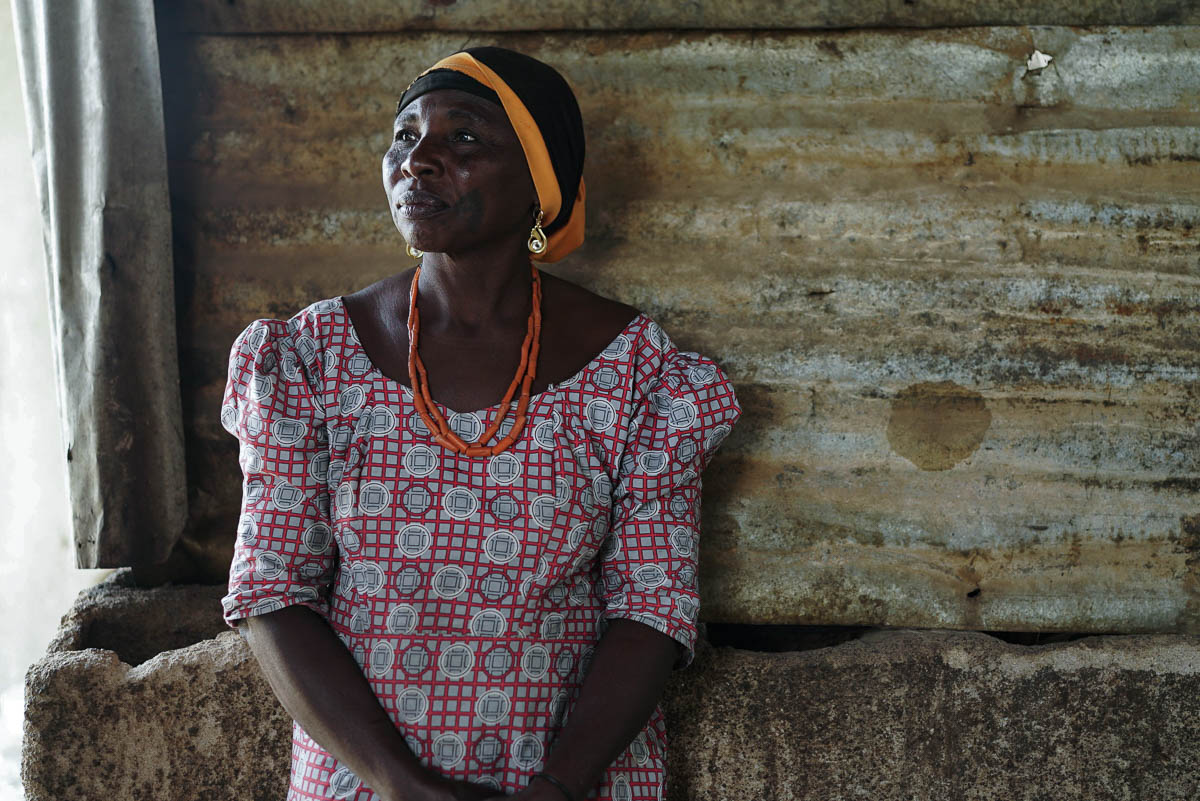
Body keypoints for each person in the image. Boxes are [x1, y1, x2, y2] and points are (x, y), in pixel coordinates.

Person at [219, 46, 741, 801]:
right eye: (405, 136)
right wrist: (405, 785)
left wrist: (557, 787)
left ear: (541, 184)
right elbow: (272, 591)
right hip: (364, 782)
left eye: (464, 139)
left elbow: (652, 605)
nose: (419, 160)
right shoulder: (309, 359)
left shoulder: (636, 372)